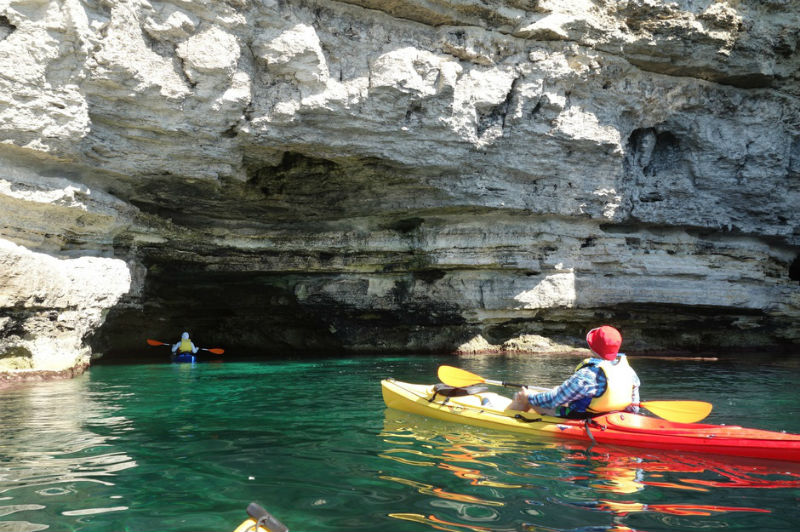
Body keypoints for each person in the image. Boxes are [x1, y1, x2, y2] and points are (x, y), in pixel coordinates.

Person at [507, 325, 640, 418]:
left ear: (592, 347)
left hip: (582, 418)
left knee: (527, 396)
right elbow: (634, 407)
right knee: (557, 390)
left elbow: (553, 400)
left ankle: (504, 419)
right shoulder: (628, 370)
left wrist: (529, 396)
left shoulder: (588, 375)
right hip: (612, 417)